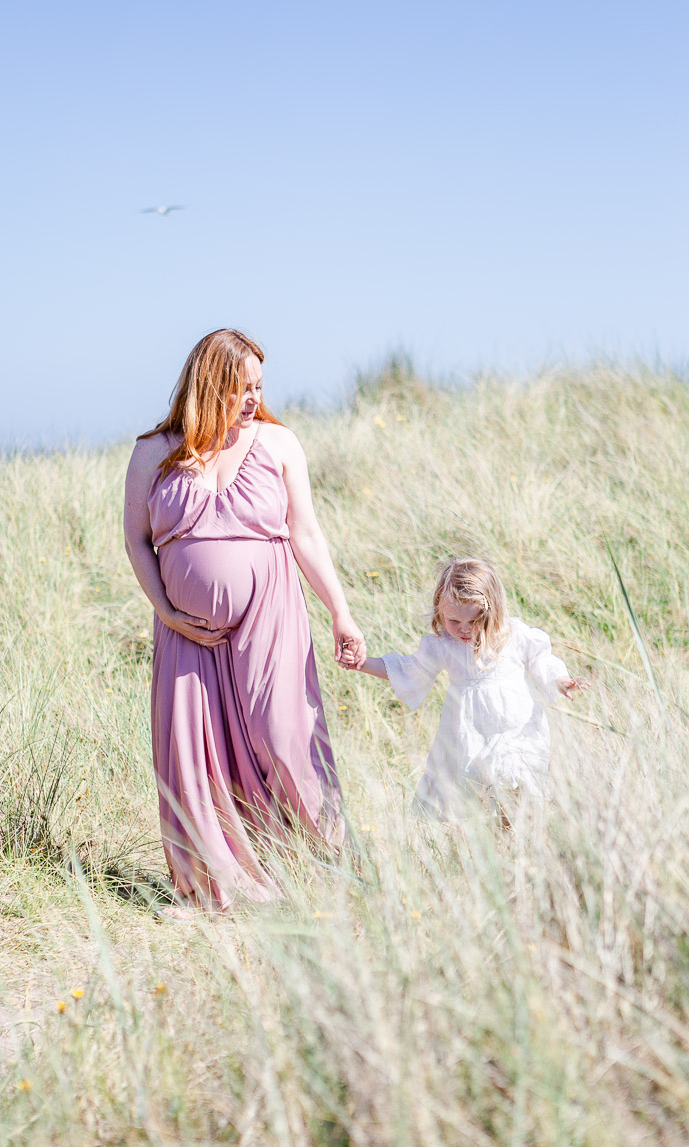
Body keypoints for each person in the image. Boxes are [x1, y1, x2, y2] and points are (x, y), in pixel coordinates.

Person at [124, 329, 365, 910]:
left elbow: (306, 534)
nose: (253, 397)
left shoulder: (279, 444)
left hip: (272, 613)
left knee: (287, 738)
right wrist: (168, 613)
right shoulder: (155, 452)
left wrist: (342, 613)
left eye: (260, 385)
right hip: (185, 630)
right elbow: (136, 542)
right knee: (193, 755)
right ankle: (213, 887)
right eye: (241, 388)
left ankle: (335, 868)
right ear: (210, 387)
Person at [340, 558, 588, 821]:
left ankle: (521, 845)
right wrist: (363, 664)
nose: (464, 629)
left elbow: (540, 660)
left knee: (518, 795)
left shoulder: (514, 635)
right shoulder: (444, 645)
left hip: (515, 731)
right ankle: (488, 848)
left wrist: (560, 680)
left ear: (493, 611)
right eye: (454, 620)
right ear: (440, 612)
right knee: (476, 802)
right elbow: (408, 669)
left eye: (474, 620)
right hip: (469, 734)